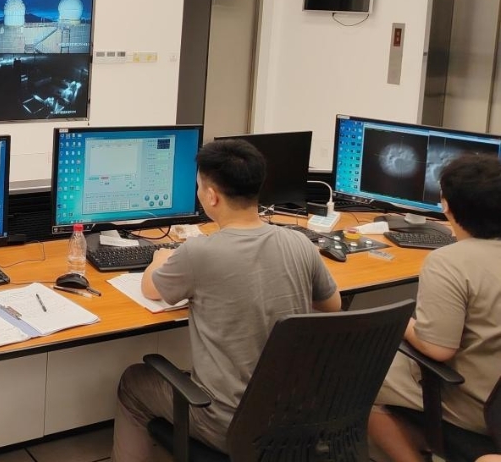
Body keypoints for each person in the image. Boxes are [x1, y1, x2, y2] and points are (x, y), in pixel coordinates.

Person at [112, 139, 342, 460]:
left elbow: (152, 289)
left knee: (133, 382)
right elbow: (333, 306)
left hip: (228, 425)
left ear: (212, 196)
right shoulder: (300, 243)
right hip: (295, 416)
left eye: (198, 187)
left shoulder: (199, 252)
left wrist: (158, 259)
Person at [369, 154, 501, 462]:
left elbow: (438, 349)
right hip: (494, 392)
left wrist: (402, 322)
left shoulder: (449, 262)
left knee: (364, 381)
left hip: (479, 407)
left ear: (446, 206)